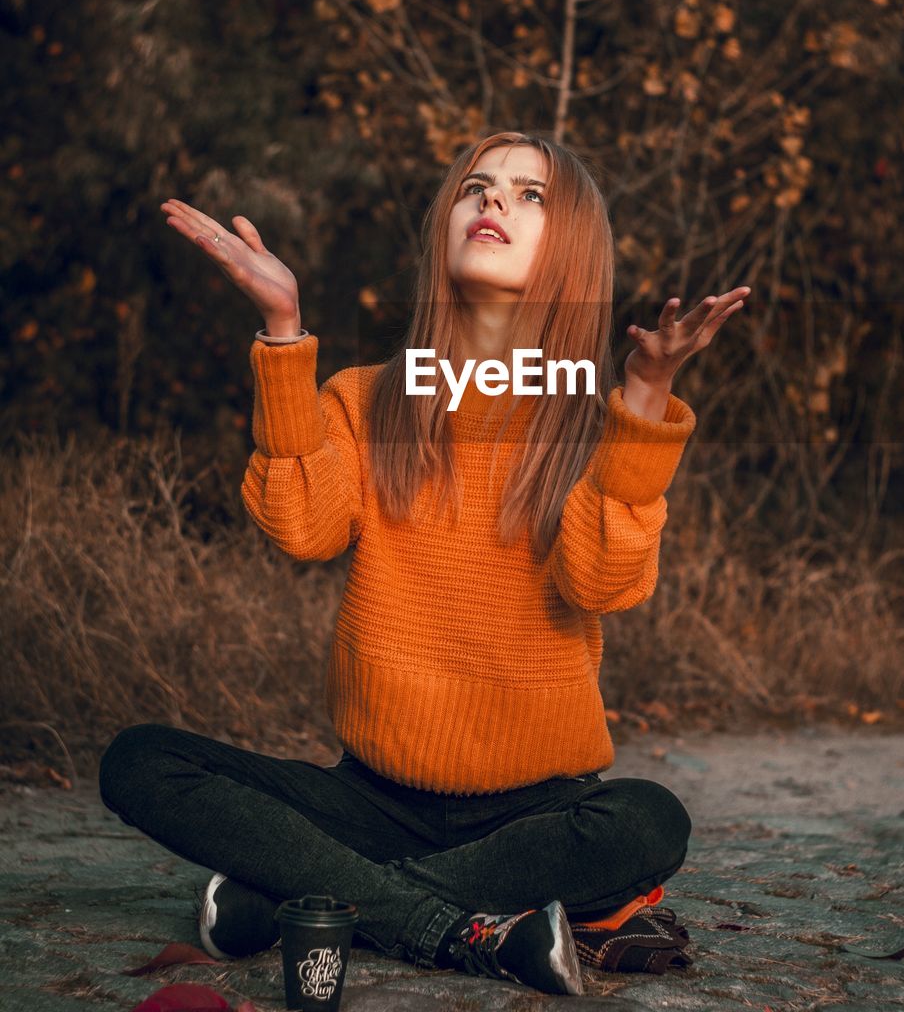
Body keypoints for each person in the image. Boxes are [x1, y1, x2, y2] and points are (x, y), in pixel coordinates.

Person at [98, 131, 749, 995]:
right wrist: (284, 332)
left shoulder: (595, 419)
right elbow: (301, 526)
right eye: (476, 188)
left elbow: (601, 583)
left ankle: (306, 904)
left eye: (529, 196)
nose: (492, 203)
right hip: (369, 805)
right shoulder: (370, 397)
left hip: (533, 811)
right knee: (141, 761)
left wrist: (647, 398)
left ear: (574, 251)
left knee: (648, 820)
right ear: (444, 224)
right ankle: (469, 930)